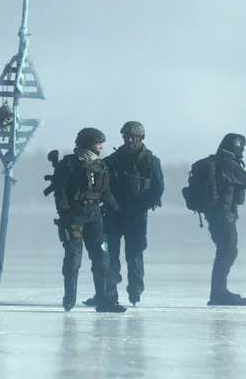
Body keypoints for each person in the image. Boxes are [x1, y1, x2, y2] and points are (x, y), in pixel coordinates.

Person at [82, 121, 164, 307]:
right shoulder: (113, 160)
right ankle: (108, 294)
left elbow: (158, 188)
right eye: (126, 136)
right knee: (109, 256)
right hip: (113, 214)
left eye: (133, 137)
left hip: (136, 216)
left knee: (134, 255)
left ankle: (135, 292)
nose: (129, 140)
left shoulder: (150, 161)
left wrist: (142, 205)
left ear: (140, 138)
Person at [52, 127, 126, 313]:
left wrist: (117, 209)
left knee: (102, 258)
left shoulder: (100, 165)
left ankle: (105, 301)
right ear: (88, 144)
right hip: (75, 216)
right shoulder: (70, 163)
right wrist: (64, 211)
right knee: (73, 257)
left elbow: (105, 192)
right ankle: (69, 299)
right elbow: (60, 190)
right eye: (97, 143)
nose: (101, 147)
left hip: (94, 215)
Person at [190, 133, 246, 306]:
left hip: (213, 215)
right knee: (228, 250)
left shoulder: (214, 161)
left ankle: (219, 291)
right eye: (241, 147)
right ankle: (219, 292)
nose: (242, 151)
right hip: (224, 216)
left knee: (225, 250)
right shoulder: (229, 164)